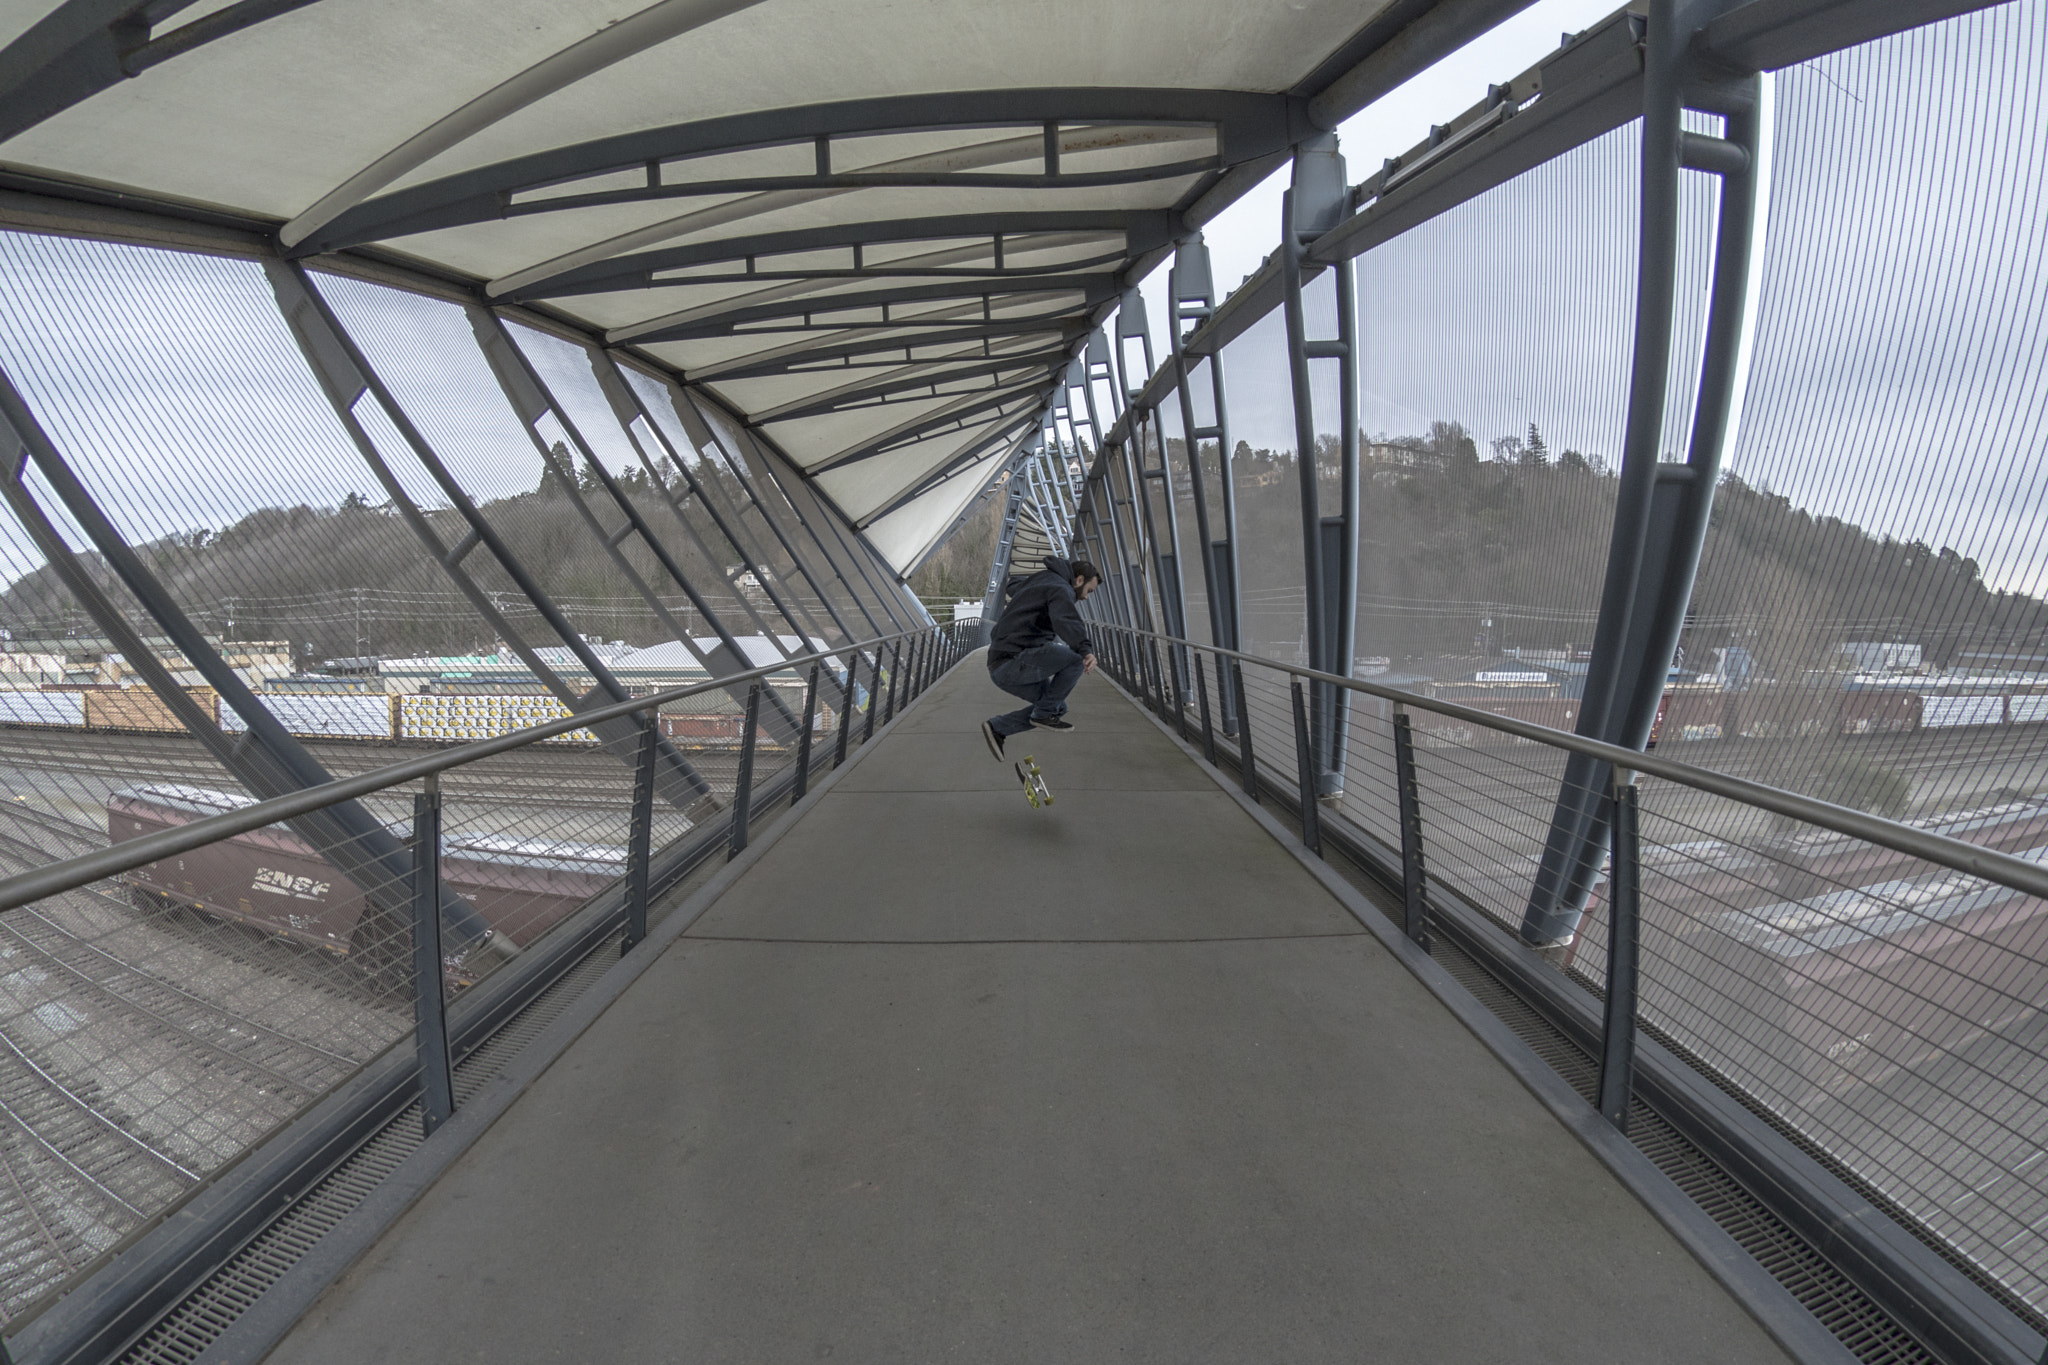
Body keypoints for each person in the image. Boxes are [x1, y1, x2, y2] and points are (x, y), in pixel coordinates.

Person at [980, 556, 1101, 760]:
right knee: (1074, 659)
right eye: (1089, 591)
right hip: (1013, 659)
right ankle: (1042, 714)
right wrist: (1086, 650)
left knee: (1057, 706)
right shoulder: (1060, 588)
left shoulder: (1042, 581)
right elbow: (1066, 619)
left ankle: (998, 728)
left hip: (999, 666)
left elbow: (1014, 585)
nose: (1086, 597)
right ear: (1079, 580)